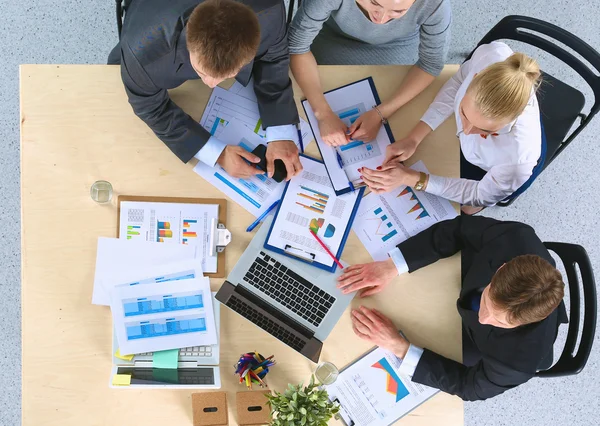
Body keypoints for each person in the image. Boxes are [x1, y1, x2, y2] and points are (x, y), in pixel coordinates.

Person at [337, 215, 568, 401]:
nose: (483, 317)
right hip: (459, 281)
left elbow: (467, 387)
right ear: (500, 269)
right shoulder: (514, 238)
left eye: (499, 322)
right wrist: (392, 265)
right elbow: (458, 230)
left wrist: (399, 347)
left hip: (479, 345)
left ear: (524, 325)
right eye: (487, 301)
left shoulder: (514, 364)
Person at [108, 0, 302, 180]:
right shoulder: (143, 52)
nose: (211, 84)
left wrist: (281, 130)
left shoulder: (269, 12)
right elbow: (149, 106)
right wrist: (216, 153)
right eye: (202, 72)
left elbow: (273, 57)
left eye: (226, 75)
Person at [360, 42, 545, 214]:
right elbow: (457, 82)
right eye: (464, 113)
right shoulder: (490, 56)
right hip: (479, 154)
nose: (466, 130)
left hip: (502, 173)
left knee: (465, 209)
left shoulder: (517, 162)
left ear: (513, 120)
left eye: (486, 131)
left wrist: (411, 178)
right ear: (475, 77)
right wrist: (414, 138)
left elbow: (479, 194)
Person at [288, 0, 451, 147]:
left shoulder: (435, 4)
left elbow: (430, 64)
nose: (380, 20)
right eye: (374, 3)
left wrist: (381, 113)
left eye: (398, 12)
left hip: (399, 45)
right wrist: (322, 113)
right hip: (332, 37)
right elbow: (297, 46)